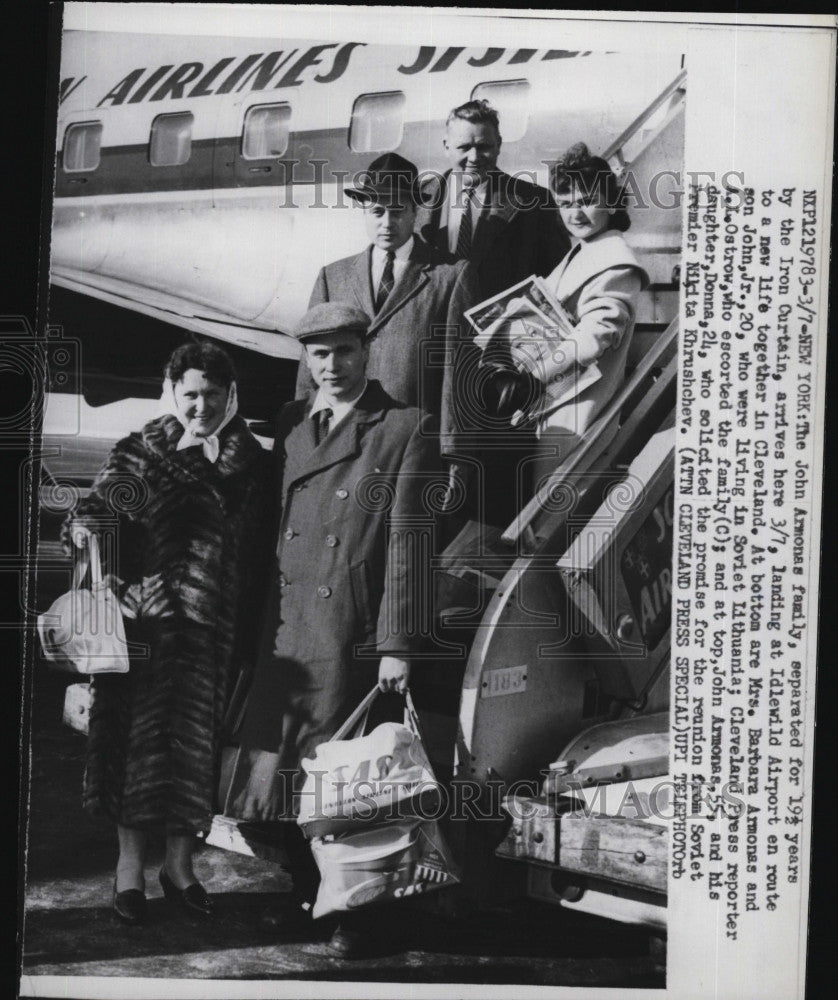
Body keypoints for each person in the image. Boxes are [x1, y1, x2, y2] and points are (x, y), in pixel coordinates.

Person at [233, 302, 442, 959]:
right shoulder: (293, 423)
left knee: (349, 778)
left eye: (344, 351)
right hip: (286, 627)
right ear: (306, 359)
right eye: (318, 353)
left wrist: (396, 643)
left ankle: (366, 916)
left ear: (366, 351)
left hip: (346, 625)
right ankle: (308, 897)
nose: (332, 364)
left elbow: (411, 542)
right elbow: (259, 525)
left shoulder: (406, 426)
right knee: (286, 771)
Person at [63, 341, 269, 926]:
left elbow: (260, 556)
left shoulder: (253, 465)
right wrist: (83, 528)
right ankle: (128, 871)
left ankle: (180, 869)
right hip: (144, 631)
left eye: (212, 394)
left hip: (214, 639)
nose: (200, 405)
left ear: (231, 395)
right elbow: (96, 510)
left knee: (196, 755)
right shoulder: (141, 452)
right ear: (172, 392)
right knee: (133, 749)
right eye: (190, 393)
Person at [297, 151, 480, 470]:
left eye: (398, 211)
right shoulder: (333, 277)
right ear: (364, 212)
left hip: (414, 450)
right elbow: (309, 374)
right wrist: (304, 439)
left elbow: (458, 372)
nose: (387, 222)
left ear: (415, 212)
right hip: (342, 447)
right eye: (377, 211)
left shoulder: (450, 275)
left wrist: (455, 455)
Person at [528, 141, 650, 485]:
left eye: (586, 201)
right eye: (565, 204)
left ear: (611, 202)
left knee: (554, 509)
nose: (575, 214)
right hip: (559, 397)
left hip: (580, 405)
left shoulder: (615, 261)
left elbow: (594, 338)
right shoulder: (586, 250)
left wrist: (533, 373)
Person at [414, 99, 569, 299]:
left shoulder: (534, 200)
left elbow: (557, 276)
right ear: (446, 146)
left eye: (483, 146)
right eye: (464, 147)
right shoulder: (418, 198)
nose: (474, 157)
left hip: (500, 326)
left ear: (498, 145)